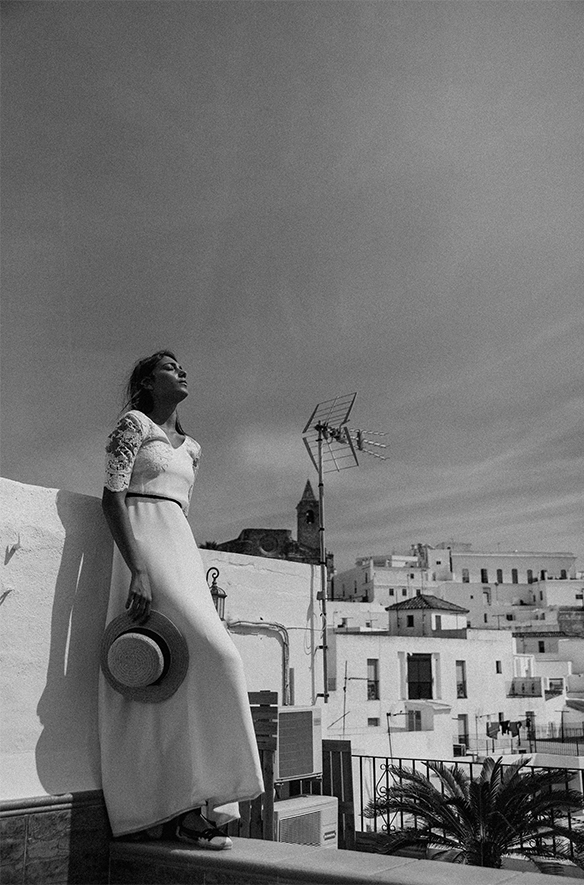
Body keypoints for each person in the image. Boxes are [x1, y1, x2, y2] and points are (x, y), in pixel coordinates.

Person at [98, 350, 264, 849]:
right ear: (148, 381)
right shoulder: (132, 425)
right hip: (144, 548)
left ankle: (191, 807)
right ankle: (155, 809)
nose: (182, 371)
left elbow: (180, 510)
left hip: (182, 550)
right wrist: (138, 569)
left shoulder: (193, 448)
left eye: (182, 366)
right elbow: (112, 497)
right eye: (170, 367)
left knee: (202, 667)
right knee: (177, 671)